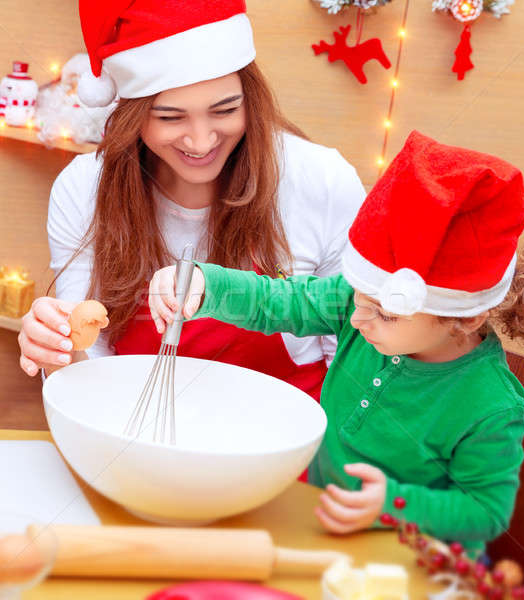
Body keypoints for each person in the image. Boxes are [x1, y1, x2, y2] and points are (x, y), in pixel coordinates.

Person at [149, 131, 524, 554]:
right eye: (359, 295)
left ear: (466, 318)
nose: (356, 319)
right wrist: (208, 284)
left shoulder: (491, 405)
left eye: (385, 313)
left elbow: (486, 511)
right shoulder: (360, 304)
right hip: (324, 531)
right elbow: (281, 300)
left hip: (414, 562)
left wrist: (392, 504)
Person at [17, 0, 365, 400]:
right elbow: (87, 366)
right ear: (132, 114)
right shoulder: (83, 189)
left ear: (250, 99)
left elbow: (351, 358)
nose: (201, 142)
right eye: (170, 117)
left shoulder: (322, 180)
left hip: (285, 454)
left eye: (225, 110)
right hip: (135, 442)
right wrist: (56, 352)